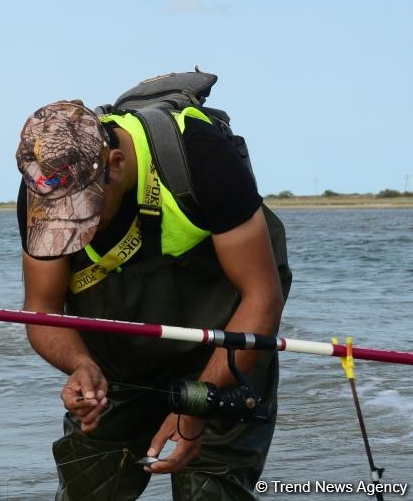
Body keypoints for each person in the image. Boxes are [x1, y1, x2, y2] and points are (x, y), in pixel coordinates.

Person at [15, 99, 292, 500]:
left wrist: (198, 403)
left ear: (115, 163)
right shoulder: (42, 192)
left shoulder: (201, 157)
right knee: (88, 489)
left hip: (226, 345)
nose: (74, 230)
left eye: (83, 212)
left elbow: (263, 298)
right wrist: (81, 364)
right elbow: (41, 310)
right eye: (60, 218)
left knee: (209, 490)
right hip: (120, 358)